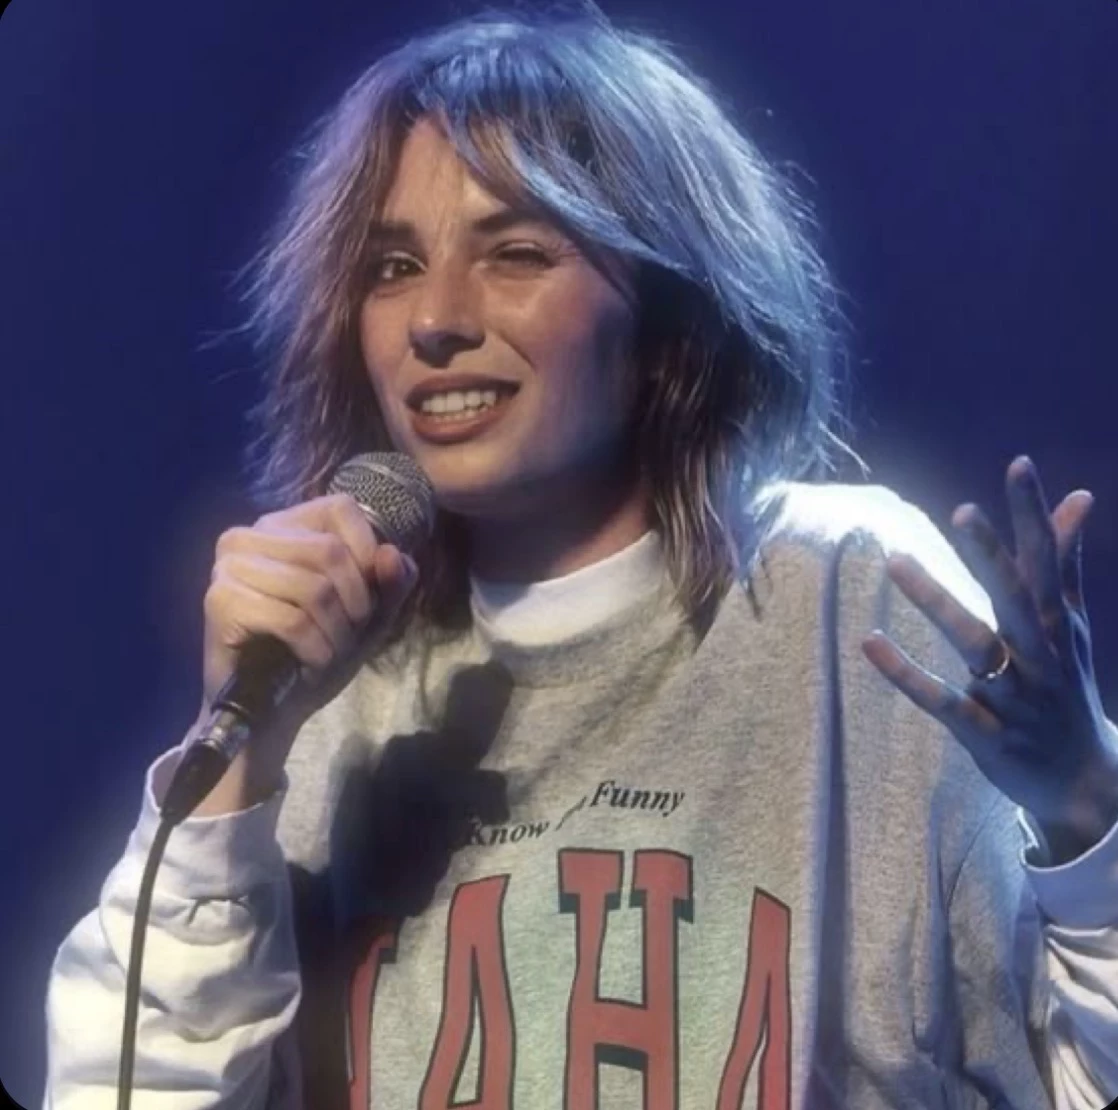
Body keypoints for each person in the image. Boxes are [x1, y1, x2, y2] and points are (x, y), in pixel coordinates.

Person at [43, 4, 1118, 1108]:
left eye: (515, 252)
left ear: (667, 316)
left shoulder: (854, 595)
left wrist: (1085, 810)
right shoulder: (323, 668)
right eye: (392, 265)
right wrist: (238, 755)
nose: (432, 321)